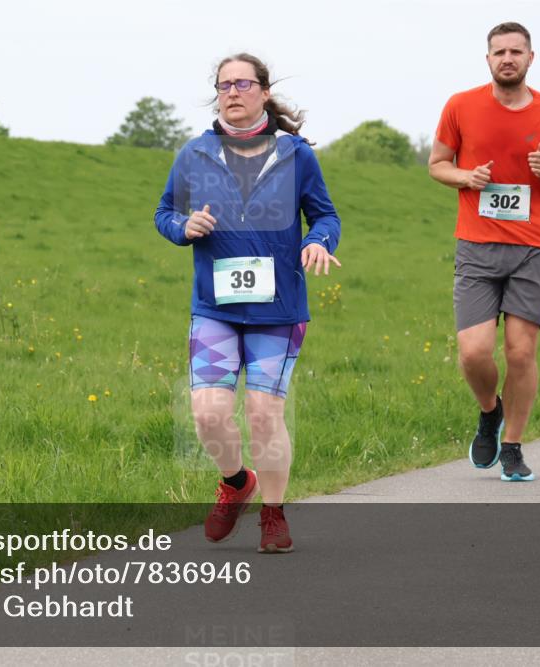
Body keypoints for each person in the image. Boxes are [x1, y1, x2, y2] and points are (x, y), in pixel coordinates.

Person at [155, 53, 341, 552]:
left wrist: (320, 241)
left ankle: (274, 517)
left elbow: (325, 216)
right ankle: (238, 483)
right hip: (214, 307)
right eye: (223, 85)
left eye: (242, 83)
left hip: (277, 311)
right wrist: (182, 227)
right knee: (209, 415)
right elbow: (165, 212)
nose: (232, 92)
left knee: (262, 413)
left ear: (263, 90)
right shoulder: (194, 153)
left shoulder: (295, 154)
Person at [428, 22, 540, 481]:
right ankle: (489, 411)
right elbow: (437, 165)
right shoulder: (461, 105)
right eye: (500, 52)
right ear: (488, 59)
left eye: (516, 51)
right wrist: (467, 177)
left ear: (531, 58)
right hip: (477, 245)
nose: (508, 59)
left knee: (519, 352)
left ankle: (512, 445)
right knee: (474, 353)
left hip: (533, 247)